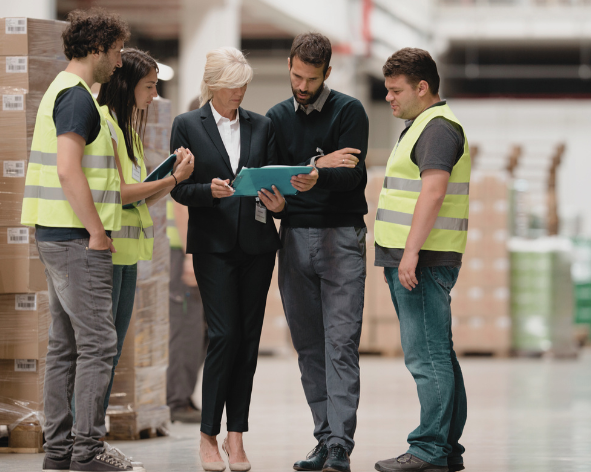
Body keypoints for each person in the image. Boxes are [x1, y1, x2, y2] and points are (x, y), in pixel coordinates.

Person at [20, 9, 135, 472]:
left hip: (56, 232)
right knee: (98, 344)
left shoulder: (61, 92)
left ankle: (60, 451)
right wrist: (95, 231)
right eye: (115, 51)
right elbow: (68, 170)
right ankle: (86, 452)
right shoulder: (76, 99)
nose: (119, 62)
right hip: (74, 237)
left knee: (66, 344)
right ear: (95, 50)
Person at [170, 46, 284, 472]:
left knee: (248, 341)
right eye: (234, 86)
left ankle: (237, 437)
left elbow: (271, 179)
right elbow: (178, 188)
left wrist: (277, 202)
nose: (241, 92)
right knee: (224, 336)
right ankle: (207, 435)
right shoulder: (187, 125)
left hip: (257, 246)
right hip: (214, 246)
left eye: (244, 85)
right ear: (214, 85)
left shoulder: (262, 125)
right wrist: (208, 191)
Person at [266, 32, 369, 472]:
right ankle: (324, 438)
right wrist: (284, 196)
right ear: (289, 65)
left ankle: (341, 444)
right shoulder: (275, 118)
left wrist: (315, 176)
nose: (302, 85)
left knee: (340, 344)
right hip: (292, 239)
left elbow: (353, 177)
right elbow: (276, 179)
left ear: (327, 72)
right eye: (296, 75)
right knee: (308, 346)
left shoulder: (349, 111)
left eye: (310, 78)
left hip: (341, 239)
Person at [373, 48, 470, 472]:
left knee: (426, 357)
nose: (389, 98)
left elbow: (433, 192)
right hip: (413, 259)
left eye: (396, 91)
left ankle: (429, 450)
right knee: (438, 354)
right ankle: (446, 449)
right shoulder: (420, 127)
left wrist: (410, 253)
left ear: (422, 87)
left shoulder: (437, 129)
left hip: (424, 262)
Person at [96, 47, 194, 465]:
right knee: (100, 352)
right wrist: (173, 178)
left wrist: (172, 180)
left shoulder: (129, 132)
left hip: (129, 255)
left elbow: (138, 199)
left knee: (111, 350)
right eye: (149, 86)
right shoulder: (106, 127)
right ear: (127, 84)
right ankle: (88, 441)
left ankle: (90, 439)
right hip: (107, 253)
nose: (154, 95)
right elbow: (116, 193)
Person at [166, 196, 208, 423]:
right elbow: (181, 205)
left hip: (199, 249)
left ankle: (183, 395)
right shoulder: (184, 159)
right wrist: (189, 255)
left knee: (202, 333)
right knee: (187, 330)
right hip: (183, 250)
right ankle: (176, 400)